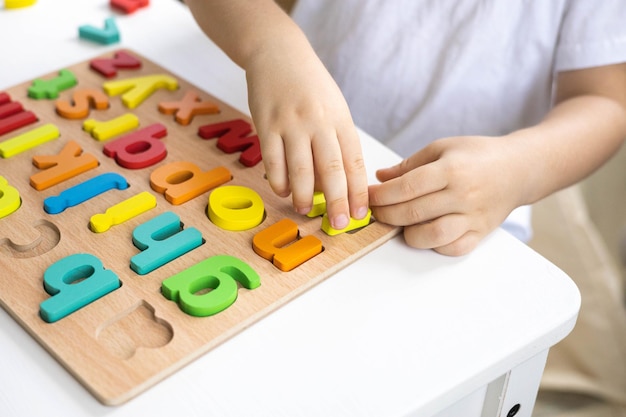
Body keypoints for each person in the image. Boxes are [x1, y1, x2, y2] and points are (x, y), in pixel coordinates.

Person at [184, 0, 626, 257]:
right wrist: (269, 45)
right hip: (274, 158)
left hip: (464, 213)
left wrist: (520, 168)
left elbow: (606, 100)